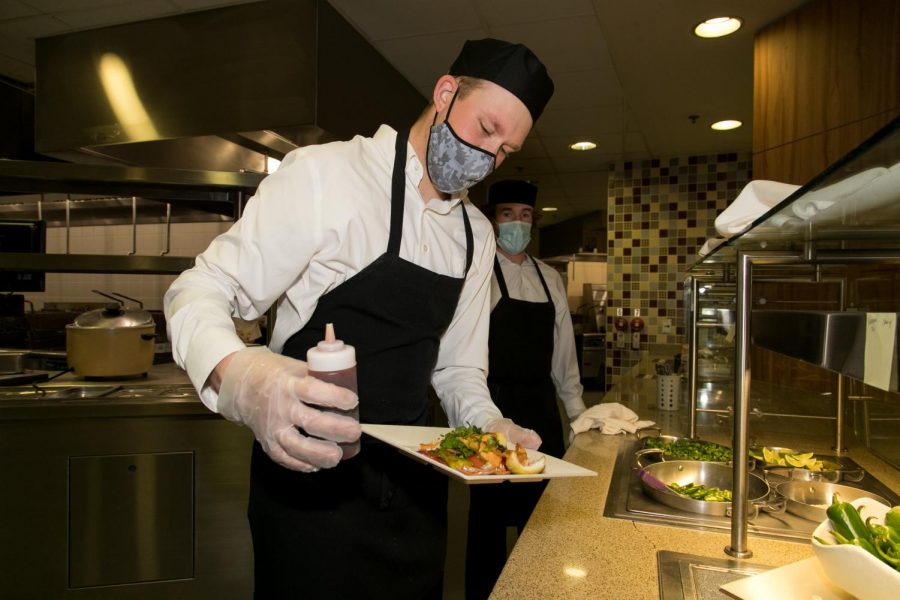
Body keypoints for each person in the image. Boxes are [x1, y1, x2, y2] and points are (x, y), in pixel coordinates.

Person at [164, 38, 555, 599]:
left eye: (505, 151)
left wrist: (490, 424)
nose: (488, 156)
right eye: (485, 129)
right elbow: (199, 288)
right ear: (445, 93)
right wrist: (242, 374)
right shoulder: (326, 177)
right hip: (309, 483)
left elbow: (459, 371)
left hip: (419, 493)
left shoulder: (477, 235)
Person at [465, 179, 586, 600]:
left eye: (526, 216)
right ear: (493, 220)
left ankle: (541, 589)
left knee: (544, 514)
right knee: (488, 520)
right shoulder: (479, 274)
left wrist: (576, 412)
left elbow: (563, 352)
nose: (517, 223)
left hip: (540, 406)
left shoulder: (550, 278)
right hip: (494, 407)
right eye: (507, 214)